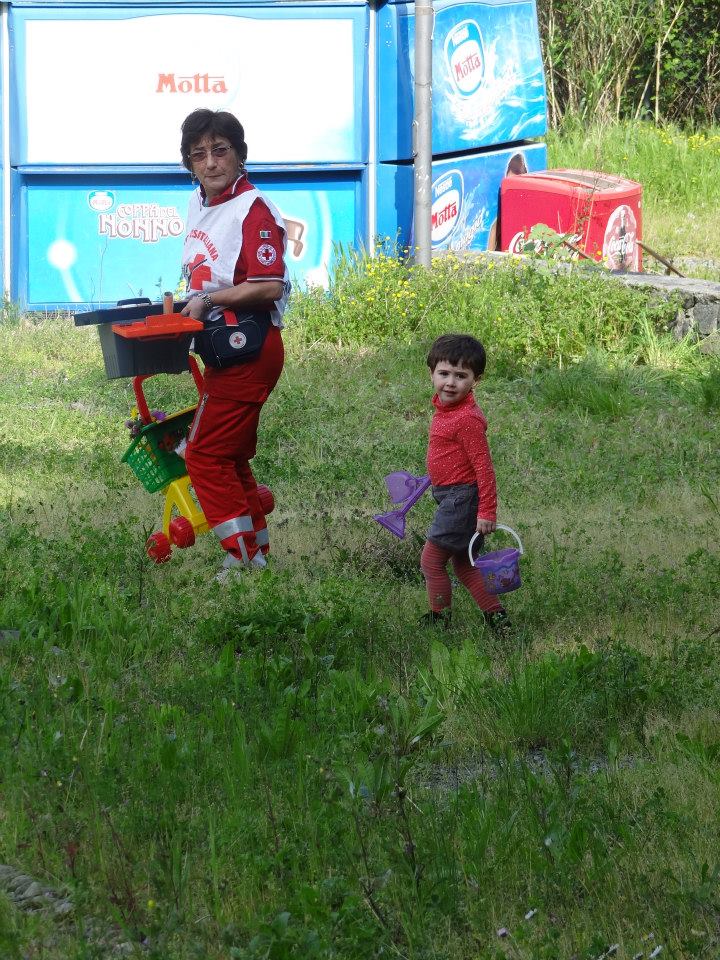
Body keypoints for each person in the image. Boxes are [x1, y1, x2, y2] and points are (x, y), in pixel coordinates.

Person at [178, 108, 289, 577]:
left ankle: (238, 557)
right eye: (198, 154)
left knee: (203, 454)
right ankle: (257, 554)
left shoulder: (254, 209)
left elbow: (268, 285)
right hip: (223, 349)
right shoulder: (201, 202)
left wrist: (206, 298)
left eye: (220, 150)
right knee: (231, 455)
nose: (210, 162)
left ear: (240, 156)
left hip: (251, 348)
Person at [420, 334, 511, 632]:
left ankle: (440, 619)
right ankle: (497, 619)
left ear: (476, 380)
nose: (450, 382)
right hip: (451, 496)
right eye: (444, 373)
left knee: (431, 561)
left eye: (461, 376)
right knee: (465, 564)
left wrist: (487, 511)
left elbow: (483, 468)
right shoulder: (447, 410)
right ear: (432, 372)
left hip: (462, 500)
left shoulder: (467, 419)